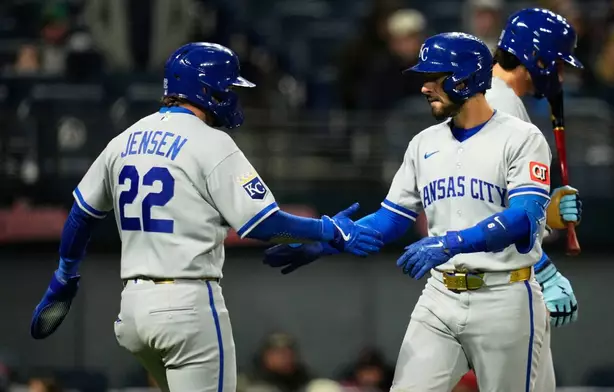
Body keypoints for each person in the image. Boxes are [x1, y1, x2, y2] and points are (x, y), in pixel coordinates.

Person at [29, 42, 384, 392]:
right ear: (206, 89)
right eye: (228, 87)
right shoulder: (210, 142)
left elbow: (80, 216)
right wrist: (328, 229)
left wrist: (64, 278)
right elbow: (264, 224)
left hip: (133, 312)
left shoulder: (124, 140)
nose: (232, 95)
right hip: (186, 305)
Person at [264, 32, 574, 391]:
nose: (425, 88)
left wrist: (452, 243)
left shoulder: (521, 137)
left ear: (467, 78)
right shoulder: (423, 143)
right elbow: (392, 218)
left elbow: (523, 217)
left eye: (435, 78)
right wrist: (325, 243)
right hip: (440, 294)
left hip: (505, 295)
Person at [488, 8, 585, 390]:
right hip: (499, 283)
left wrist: (551, 213)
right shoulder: (499, 109)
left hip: (494, 277)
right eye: (557, 64)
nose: (559, 75)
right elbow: (497, 213)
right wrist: (546, 271)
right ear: (536, 58)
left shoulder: (495, 99)